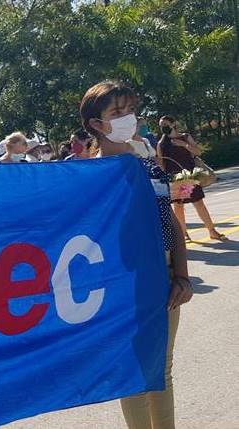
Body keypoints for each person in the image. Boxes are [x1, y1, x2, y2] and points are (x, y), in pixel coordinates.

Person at [80, 80, 193, 429]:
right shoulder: (91, 176)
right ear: (96, 125)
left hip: (164, 272)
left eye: (130, 109)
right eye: (117, 112)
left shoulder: (146, 159)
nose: (129, 117)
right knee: (134, 369)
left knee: (162, 366)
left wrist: (182, 274)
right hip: (124, 280)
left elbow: (170, 219)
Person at [157, 115, 226, 242]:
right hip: (174, 178)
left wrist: (184, 144)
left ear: (173, 124)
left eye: (165, 124)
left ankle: (212, 231)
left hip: (190, 175)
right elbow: (161, 163)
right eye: (161, 126)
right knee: (178, 206)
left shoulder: (185, 137)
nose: (163, 128)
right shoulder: (161, 143)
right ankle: (184, 234)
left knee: (199, 203)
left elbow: (198, 152)